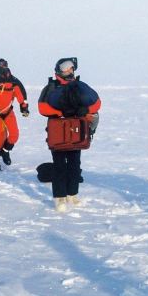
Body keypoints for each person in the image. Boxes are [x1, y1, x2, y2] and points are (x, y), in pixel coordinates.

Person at [38, 57, 101, 212]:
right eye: (65, 68)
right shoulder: (51, 87)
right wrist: (61, 112)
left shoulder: (80, 86)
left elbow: (97, 103)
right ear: (58, 70)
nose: (69, 71)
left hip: (75, 131)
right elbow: (42, 108)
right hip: (58, 132)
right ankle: (59, 198)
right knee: (59, 165)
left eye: (71, 68)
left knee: (74, 164)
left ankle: (72, 194)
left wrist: (85, 110)